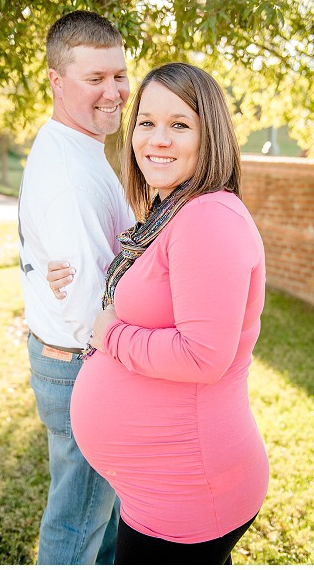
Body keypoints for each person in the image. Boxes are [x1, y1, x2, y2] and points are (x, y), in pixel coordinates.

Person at [49, 62, 269, 564]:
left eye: (179, 124)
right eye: (146, 122)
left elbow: (202, 356)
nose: (157, 139)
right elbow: (151, 293)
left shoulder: (208, 218)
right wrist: (82, 280)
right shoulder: (173, 212)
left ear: (207, 134)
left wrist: (111, 336)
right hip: (168, 489)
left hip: (189, 492)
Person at [18, 10, 134, 564]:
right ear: (56, 82)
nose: (114, 92)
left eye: (118, 75)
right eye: (95, 79)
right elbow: (90, 306)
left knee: (102, 516)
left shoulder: (80, 147)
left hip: (72, 360)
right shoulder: (66, 173)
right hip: (80, 365)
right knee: (75, 528)